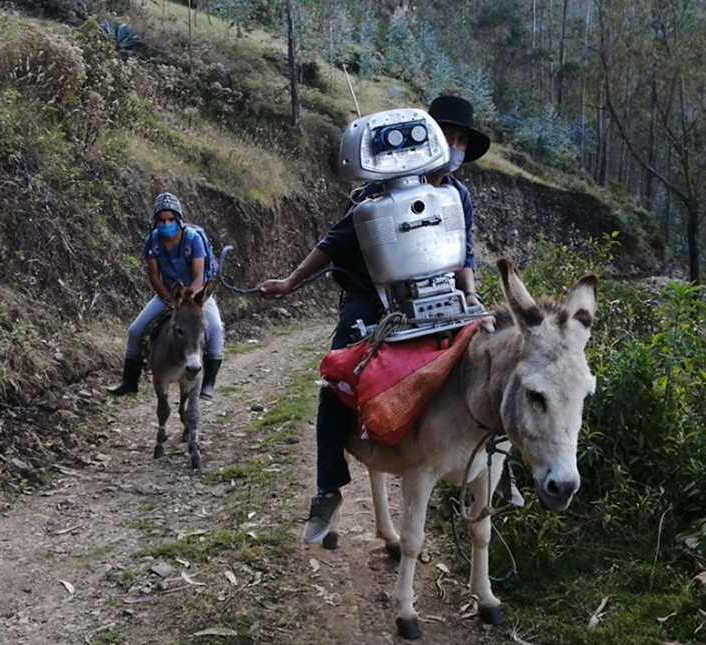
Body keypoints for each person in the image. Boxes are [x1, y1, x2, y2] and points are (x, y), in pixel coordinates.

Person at [257, 96, 491, 544]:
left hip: (439, 295)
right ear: (430, 139)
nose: (456, 147)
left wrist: (473, 298)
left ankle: (496, 462)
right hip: (370, 297)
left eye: (462, 140)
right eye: (450, 137)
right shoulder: (379, 194)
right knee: (336, 382)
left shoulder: (458, 196)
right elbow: (334, 242)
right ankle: (328, 488)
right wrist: (289, 282)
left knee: (493, 361)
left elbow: (465, 254)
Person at [107, 192, 225, 399]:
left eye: (170, 219)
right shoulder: (152, 241)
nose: (166, 224)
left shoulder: (193, 239)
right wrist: (170, 299)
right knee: (135, 330)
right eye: (161, 220)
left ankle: (208, 382)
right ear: (156, 222)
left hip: (197, 296)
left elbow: (199, 276)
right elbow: (154, 277)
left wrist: (189, 299)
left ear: (178, 219)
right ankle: (129, 380)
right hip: (169, 295)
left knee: (214, 328)